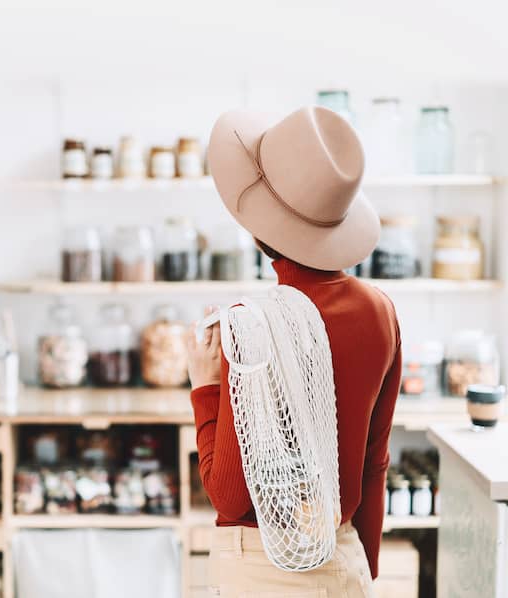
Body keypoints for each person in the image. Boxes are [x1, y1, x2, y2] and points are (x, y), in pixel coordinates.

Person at [186, 106, 400, 597]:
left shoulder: (251, 326)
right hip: (346, 563)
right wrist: (359, 571)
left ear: (260, 226)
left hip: (262, 572)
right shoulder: (380, 312)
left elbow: (231, 496)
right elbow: (373, 465)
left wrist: (206, 386)